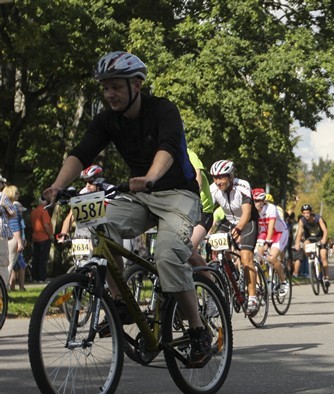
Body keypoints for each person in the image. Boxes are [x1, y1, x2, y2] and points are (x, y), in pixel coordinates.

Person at [42, 51, 211, 366]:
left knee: (166, 255)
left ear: (137, 84)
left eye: (115, 87)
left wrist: (150, 177)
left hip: (177, 194)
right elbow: (82, 152)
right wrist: (57, 186)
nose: (109, 94)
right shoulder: (108, 119)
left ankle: (199, 331)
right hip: (140, 195)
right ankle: (120, 302)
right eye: (105, 88)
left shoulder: (163, 110)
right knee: (98, 222)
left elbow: (169, 147)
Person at [208, 159, 260, 313]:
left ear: (230, 176)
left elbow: (247, 213)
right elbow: (206, 210)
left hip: (248, 222)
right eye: (215, 178)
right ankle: (232, 272)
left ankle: (252, 298)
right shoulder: (213, 189)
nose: (218, 181)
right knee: (216, 248)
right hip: (229, 220)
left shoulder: (242, 186)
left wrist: (238, 229)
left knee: (245, 258)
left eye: (221, 177)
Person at [252, 187, 289, 295]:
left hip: (279, 232)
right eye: (254, 201)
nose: (256, 204)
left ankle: (283, 282)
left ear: (263, 201)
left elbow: (272, 227)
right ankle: (263, 281)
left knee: (271, 257)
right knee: (257, 255)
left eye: (258, 201)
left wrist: (267, 243)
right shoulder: (253, 210)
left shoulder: (271, 208)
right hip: (264, 232)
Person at [186, 149, 216, 270]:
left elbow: (197, 175)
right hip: (184, 211)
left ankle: (211, 286)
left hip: (203, 211)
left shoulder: (189, 154)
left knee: (189, 251)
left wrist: (193, 195)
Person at [293, 204, 330, 289]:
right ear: (302, 214)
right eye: (304, 213)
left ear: (311, 212)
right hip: (310, 238)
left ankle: (326, 277)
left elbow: (325, 230)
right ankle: (312, 261)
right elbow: (299, 232)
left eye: (308, 212)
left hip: (320, 238)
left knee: (323, 256)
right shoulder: (302, 221)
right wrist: (297, 243)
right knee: (306, 245)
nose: (306, 214)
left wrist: (324, 239)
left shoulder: (317, 218)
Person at [4, 185, 25, 285]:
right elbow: (15, 226)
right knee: (9, 265)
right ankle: (3, 292)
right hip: (12, 239)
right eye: (16, 193)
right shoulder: (13, 208)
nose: (18, 195)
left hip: (5, 237)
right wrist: (20, 242)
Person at [30, 197, 54, 282]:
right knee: (43, 259)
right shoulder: (44, 211)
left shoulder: (34, 211)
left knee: (36, 258)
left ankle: (35, 277)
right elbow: (46, 224)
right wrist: (50, 234)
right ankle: (42, 277)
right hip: (44, 237)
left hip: (35, 237)